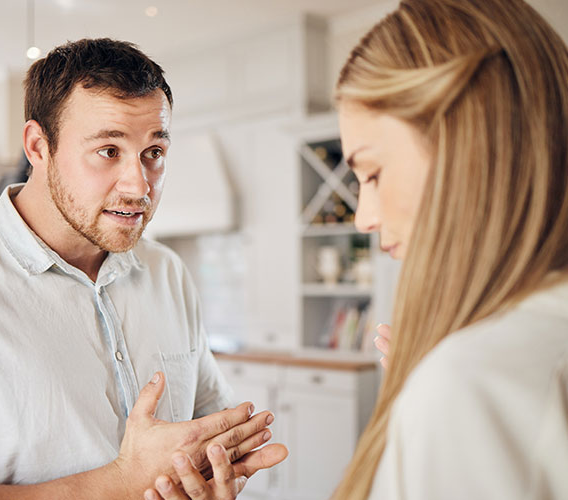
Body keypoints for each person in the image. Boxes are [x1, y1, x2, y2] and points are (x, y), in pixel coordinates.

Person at [145, 0, 568, 498]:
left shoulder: (467, 382)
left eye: (372, 172)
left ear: (467, 147)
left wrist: (434, 396)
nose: (365, 217)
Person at [0, 38, 287, 499]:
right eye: (109, 150)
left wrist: (210, 472)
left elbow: (202, 431)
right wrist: (120, 484)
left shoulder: (168, 272)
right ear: (38, 146)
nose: (138, 185)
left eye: (154, 153)